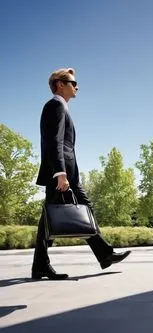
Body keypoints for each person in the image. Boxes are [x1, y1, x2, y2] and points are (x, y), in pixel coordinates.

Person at [32, 68, 131, 280]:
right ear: (60, 84)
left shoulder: (61, 107)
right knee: (81, 209)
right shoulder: (55, 106)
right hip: (61, 173)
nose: (77, 86)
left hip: (65, 172)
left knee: (52, 218)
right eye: (73, 82)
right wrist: (60, 173)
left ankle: (42, 264)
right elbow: (55, 142)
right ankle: (104, 254)